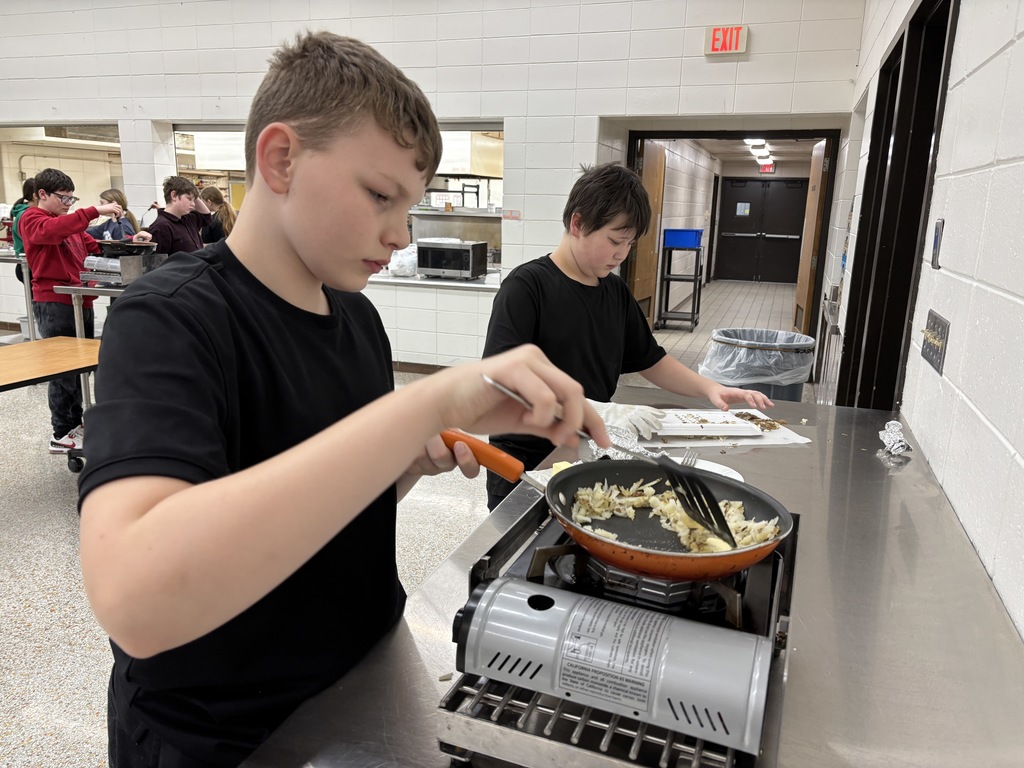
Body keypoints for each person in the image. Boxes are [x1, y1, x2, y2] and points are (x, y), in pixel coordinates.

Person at [77, 32, 609, 768]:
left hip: (358, 687)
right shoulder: (169, 317)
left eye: (410, 206)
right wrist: (421, 408)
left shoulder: (356, 317)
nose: (399, 233)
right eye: (381, 195)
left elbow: (321, 515)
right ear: (281, 158)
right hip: (224, 734)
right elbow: (135, 599)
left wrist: (404, 463)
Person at [482, 162, 774, 510]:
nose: (621, 254)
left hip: (585, 453)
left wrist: (710, 387)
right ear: (577, 224)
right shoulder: (527, 288)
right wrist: (593, 410)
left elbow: (650, 359)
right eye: (614, 240)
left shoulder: (615, 292)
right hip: (525, 464)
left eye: (630, 243)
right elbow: (504, 384)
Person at [18, 168, 149, 453]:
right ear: (42, 195)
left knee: (80, 369)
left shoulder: (67, 224)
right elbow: (50, 233)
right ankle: (62, 432)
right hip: (55, 302)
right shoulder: (32, 219)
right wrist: (94, 210)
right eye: (64, 198)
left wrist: (130, 243)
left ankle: (79, 425)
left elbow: (96, 247)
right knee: (63, 371)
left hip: (80, 300)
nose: (68, 204)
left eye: (71, 199)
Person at [145, 175, 212, 255]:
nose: (193, 204)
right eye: (189, 199)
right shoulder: (161, 227)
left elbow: (206, 216)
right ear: (174, 195)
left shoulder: (188, 218)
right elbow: (158, 262)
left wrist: (194, 193)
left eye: (194, 200)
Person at [9, 178, 35, 283]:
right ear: (36, 195)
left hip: (27, 265)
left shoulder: (24, 212)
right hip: (27, 266)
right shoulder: (28, 215)